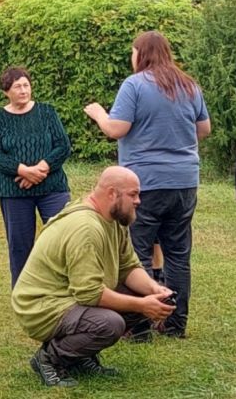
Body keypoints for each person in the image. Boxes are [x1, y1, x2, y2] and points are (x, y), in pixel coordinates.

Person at [83, 30, 211, 339]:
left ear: (141, 54)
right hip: (184, 182)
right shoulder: (188, 85)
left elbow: (117, 128)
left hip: (144, 184)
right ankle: (175, 325)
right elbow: (204, 129)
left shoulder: (135, 85)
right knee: (177, 254)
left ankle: (138, 327)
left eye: (133, 52)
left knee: (136, 254)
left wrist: (99, 114)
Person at [12, 166, 175, 388]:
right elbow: (89, 293)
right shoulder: (86, 228)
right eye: (133, 194)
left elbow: (128, 267)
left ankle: (80, 356)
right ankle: (49, 359)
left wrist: (154, 290)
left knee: (141, 294)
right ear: (112, 193)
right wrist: (142, 305)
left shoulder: (113, 218)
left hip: (69, 296)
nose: (138, 201)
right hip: (41, 306)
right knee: (109, 324)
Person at [0, 67, 72, 288]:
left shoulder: (47, 112)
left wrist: (40, 170)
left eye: (26, 85)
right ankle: (24, 294)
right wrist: (23, 170)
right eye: (17, 87)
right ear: (6, 91)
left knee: (63, 238)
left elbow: (63, 146)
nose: (23, 90)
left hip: (52, 188)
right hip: (14, 192)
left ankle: (65, 289)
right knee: (20, 247)